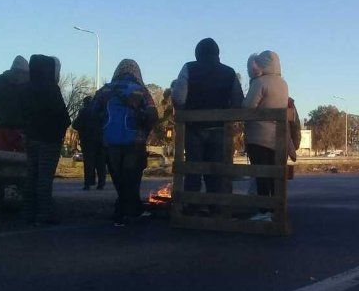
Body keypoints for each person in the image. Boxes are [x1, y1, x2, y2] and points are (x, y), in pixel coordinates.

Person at [171, 38, 244, 208]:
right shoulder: (229, 72)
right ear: (218, 54)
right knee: (217, 171)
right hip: (220, 129)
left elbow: (178, 97)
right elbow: (238, 100)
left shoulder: (189, 68)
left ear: (197, 53)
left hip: (193, 129)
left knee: (193, 171)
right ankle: (216, 209)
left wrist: (185, 111)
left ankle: (192, 209)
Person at [92, 59, 158, 226]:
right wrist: (144, 130)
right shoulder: (141, 91)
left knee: (118, 177)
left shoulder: (105, 90)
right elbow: (152, 115)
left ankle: (126, 211)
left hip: (110, 141)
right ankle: (125, 211)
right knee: (132, 177)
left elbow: (91, 113)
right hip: (135, 141)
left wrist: (102, 131)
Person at [21, 55, 70, 225]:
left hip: (31, 137)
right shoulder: (51, 89)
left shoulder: (27, 88)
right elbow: (62, 115)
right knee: (44, 178)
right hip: (49, 139)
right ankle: (44, 214)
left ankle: (28, 213)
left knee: (31, 176)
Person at [243, 50, 289, 221]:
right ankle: (277, 210)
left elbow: (248, 107)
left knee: (261, 174)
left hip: (259, 136)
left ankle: (264, 212)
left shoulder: (260, 82)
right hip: (277, 137)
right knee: (273, 175)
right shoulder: (283, 83)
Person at [0, 56, 30, 152]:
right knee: (23, 161)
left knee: (0, 159)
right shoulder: (30, 84)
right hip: (22, 130)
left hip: (3, 127)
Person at [72, 96, 108, 190]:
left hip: (87, 141)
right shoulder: (102, 112)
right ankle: (101, 183)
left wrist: (83, 130)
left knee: (89, 163)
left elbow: (75, 125)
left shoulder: (84, 112)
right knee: (101, 163)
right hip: (101, 140)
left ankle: (88, 183)